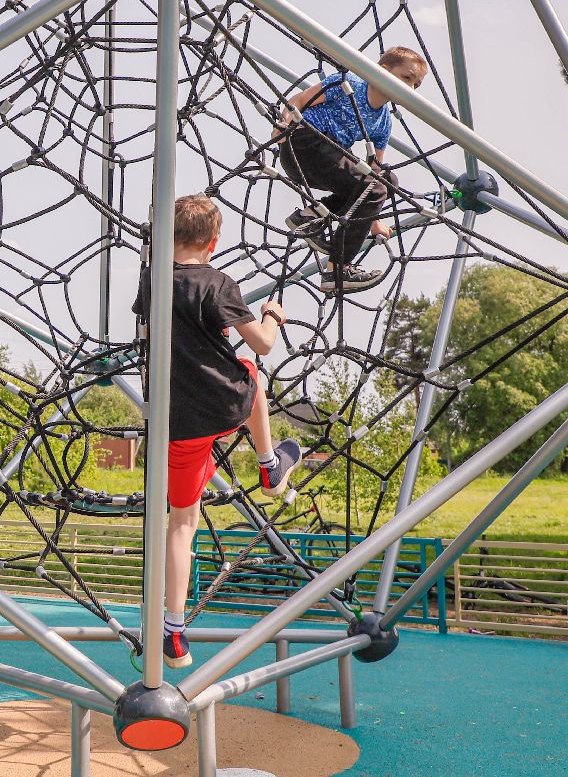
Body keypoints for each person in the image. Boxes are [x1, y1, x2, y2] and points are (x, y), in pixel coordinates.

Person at [132, 193, 302, 669]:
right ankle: (269, 467)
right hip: (223, 405)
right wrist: (271, 315)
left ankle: (173, 632)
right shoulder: (217, 282)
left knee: (181, 525)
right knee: (253, 375)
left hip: (175, 422)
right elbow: (264, 344)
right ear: (213, 241)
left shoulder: (152, 281)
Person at [276, 46, 430, 294]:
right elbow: (300, 100)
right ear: (383, 70)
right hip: (304, 143)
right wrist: (284, 123)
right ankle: (338, 270)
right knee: (377, 184)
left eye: (416, 84)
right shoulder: (350, 85)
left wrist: (374, 220)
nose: (410, 88)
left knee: (387, 179)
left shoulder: (383, 121)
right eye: (406, 78)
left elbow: (374, 174)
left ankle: (308, 216)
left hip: (326, 161)